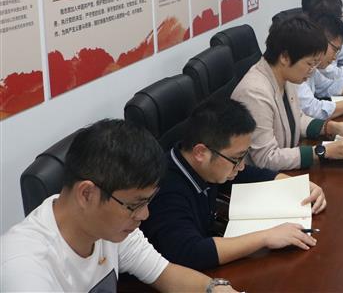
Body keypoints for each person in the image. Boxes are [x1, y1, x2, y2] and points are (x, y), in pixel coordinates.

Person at [0, 119, 237, 292]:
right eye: (135, 205)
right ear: (86, 194)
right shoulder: (23, 269)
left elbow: (165, 273)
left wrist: (215, 288)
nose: (144, 214)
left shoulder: (109, 227)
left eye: (148, 202)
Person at [141, 98, 327, 270]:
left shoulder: (203, 164)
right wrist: (266, 237)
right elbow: (190, 252)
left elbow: (248, 174)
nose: (241, 165)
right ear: (200, 153)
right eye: (236, 159)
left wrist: (300, 186)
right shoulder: (165, 190)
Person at [232, 14, 343, 171]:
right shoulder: (255, 93)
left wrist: (332, 127)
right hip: (263, 179)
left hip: (286, 168)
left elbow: (298, 119)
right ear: (285, 57)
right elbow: (267, 158)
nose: (312, 71)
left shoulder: (286, 75)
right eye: (310, 64)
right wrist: (322, 151)